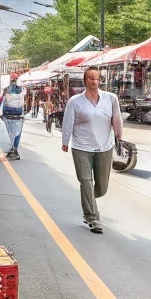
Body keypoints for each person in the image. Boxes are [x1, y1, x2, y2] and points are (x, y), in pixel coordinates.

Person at [61, 67, 124, 234]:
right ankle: (93, 218)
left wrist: (119, 135)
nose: (94, 81)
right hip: (81, 146)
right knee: (86, 180)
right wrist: (65, 141)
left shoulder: (111, 98)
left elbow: (116, 117)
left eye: (96, 78)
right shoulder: (75, 101)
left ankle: (88, 200)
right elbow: (68, 121)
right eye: (90, 78)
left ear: (100, 81)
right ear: (85, 81)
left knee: (102, 187)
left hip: (105, 146)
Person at [0, 74, 25, 160]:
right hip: (18, 115)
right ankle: (14, 149)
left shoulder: (7, 88)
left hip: (8, 114)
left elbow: (4, 100)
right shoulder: (21, 88)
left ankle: (10, 149)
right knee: (17, 134)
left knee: (8, 133)